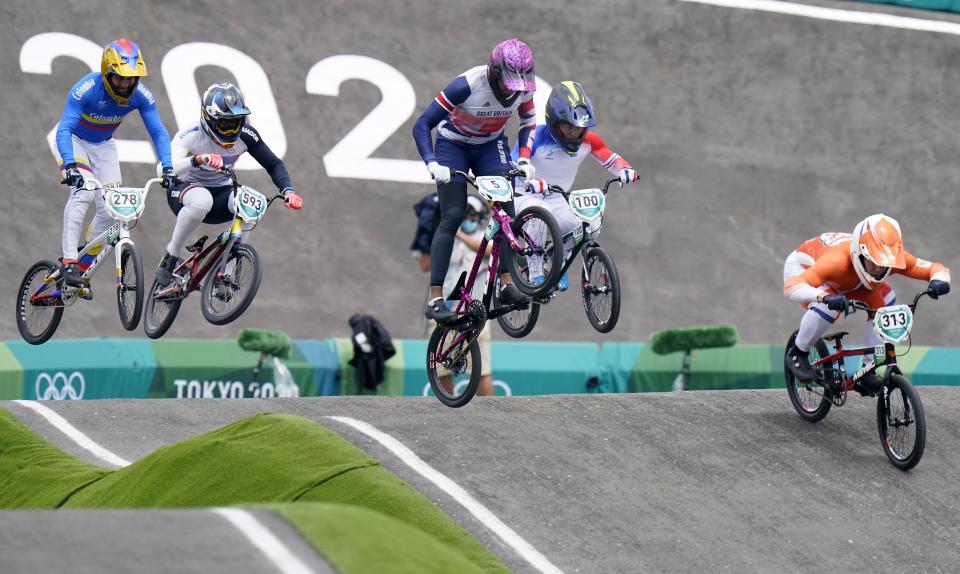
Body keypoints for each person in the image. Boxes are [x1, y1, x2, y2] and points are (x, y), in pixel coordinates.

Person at [412, 38, 537, 324]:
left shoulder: (523, 89)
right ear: (494, 72)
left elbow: (529, 121)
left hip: (489, 146)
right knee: (452, 214)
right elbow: (422, 124)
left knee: (506, 207)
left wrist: (525, 157)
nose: (512, 89)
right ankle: (435, 298)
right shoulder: (466, 85)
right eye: (507, 82)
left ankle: (507, 282)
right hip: (452, 146)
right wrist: (432, 162)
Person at [54, 39, 175, 291]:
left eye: (131, 79)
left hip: (104, 146)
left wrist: (168, 167)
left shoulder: (141, 96)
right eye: (119, 78)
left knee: (112, 209)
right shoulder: (85, 89)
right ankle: (68, 260)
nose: (125, 84)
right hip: (75, 141)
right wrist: (69, 165)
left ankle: (84, 262)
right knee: (84, 193)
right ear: (107, 72)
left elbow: (159, 133)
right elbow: (65, 129)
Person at [154, 82, 303, 287]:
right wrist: (197, 160)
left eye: (236, 122)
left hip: (221, 194)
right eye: (225, 124)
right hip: (184, 191)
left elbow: (274, 164)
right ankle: (170, 255)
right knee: (201, 200)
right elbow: (163, 169)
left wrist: (288, 190)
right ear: (209, 118)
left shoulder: (247, 135)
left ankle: (226, 274)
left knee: (253, 204)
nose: (231, 130)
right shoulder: (191, 134)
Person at [782, 215, 950, 382]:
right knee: (829, 307)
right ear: (860, 253)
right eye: (873, 262)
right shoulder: (836, 261)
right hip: (802, 269)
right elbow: (791, 287)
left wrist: (939, 280)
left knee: (886, 300)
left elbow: (934, 268)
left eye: (884, 264)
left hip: (849, 281)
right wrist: (824, 297)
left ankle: (869, 369)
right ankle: (798, 352)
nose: (878, 269)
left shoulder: (892, 259)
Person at [511, 81, 638, 290]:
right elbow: (515, 162)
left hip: (557, 197)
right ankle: (535, 274)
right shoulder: (536, 136)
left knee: (580, 228)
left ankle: (556, 263)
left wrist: (625, 170)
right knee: (540, 216)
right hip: (524, 196)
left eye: (580, 129)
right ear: (554, 122)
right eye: (568, 127)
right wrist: (529, 181)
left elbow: (611, 158)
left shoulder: (590, 140)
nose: (574, 134)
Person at [435, 196, 496, 396]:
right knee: (442, 367)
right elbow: (425, 265)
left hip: (475, 313)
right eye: (466, 215)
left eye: (473, 215)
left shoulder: (486, 234)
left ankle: (490, 413)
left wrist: (459, 234)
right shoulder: (445, 236)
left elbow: (487, 251)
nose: (469, 219)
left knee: (482, 370)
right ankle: (448, 412)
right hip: (446, 310)